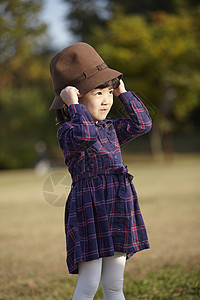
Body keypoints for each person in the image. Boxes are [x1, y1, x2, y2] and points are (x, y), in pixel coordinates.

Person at [49, 42, 152, 300]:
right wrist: (74, 107)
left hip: (117, 206)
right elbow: (84, 136)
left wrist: (123, 93)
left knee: (115, 285)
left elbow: (143, 124)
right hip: (89, 212)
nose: (106, 100)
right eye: (98, 93)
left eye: (108, 91)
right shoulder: (69, 132)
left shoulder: (111, 129)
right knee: (88, 285)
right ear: (75, 97)